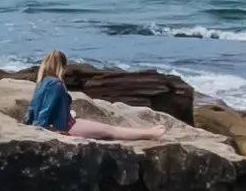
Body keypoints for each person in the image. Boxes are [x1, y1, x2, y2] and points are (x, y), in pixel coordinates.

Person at [26, 49, 160, 141]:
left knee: (107, 128)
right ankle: (150, 133)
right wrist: (42, 130)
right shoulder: (56, 84)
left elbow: (33, 107)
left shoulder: (42, 83)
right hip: (65, 127)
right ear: (61, 66)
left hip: (63, 122)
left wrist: (28, 123)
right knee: (110, 131)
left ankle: (148, 131)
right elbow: (46, 109)